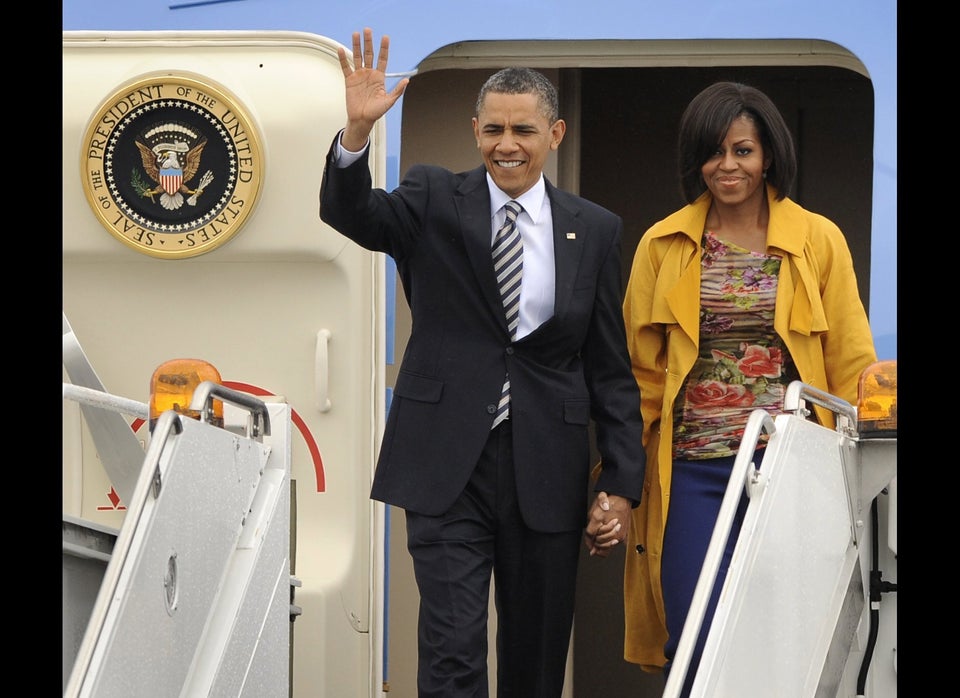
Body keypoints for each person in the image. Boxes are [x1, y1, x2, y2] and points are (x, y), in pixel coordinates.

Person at [318, 28, 646, 698]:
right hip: (444, 463)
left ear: (554, 134)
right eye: (493, 128)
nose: (506, 145)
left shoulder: (597, 228)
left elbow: (609, 369)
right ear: (474, 129)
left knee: (534, 659)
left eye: (523, 130)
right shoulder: (434, 197)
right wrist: (354, 136)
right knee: (454, 652)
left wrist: (619, 482)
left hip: (545, 467)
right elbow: (352, 214)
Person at [616, 81, 877, 695]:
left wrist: (869, 483)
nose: (728, 166)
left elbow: (850, 361)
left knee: (790, 640)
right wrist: (620, 484)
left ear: (768, 156)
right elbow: (639, 378)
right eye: (714, 153)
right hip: (692, 472)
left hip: (793, 471)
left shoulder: (818, 239)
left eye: (743, 151)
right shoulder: (663, 244)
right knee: (695, 633)